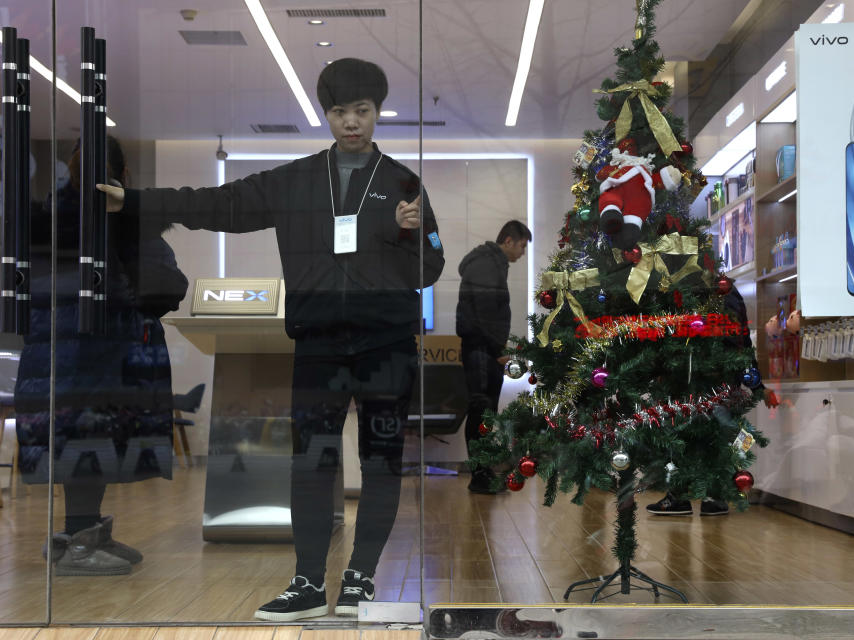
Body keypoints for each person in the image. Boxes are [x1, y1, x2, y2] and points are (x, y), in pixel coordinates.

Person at [97, 58, 445, 621]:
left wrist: (410, 237)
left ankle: (359, 581)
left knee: (380, 461)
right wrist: (135, 202)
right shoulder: (297, 180)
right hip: (318, 345)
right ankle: (308, 582)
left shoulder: (406, 184)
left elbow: (430, 268)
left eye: (362, 111)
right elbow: (218, 204)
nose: (351, 122)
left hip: (387, 347)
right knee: (311, 461)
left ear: (377, 113)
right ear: (325, 115)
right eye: (339, 112)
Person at [14, 136, 188, 575]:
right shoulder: (125, 217)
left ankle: (82, 534)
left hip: (55, 345)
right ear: (123, 173)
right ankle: (79, 543)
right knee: (94, 439)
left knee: (79, 439)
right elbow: (165, 284)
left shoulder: (47, 218)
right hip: (106, 346)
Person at [646, 284, 779, 517]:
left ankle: (703, 497)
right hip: (694, 379)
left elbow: (740, 340)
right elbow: (742, 341)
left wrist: (757, 385)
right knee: (693, 438)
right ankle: (698, 497)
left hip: (711, 379)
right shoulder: (710, 288)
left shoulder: (721, 290)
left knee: (712, 437)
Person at [456, 220, 531, 494]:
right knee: (481, 410)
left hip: (482, 348)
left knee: (484, 411)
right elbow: (485, 314)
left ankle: (483, 472)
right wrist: (498, 351)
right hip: (481, 350)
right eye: (522, 246)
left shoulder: (491, 264)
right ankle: (480, 476)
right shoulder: (487, 264)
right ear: (509, 241)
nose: (523, 253)